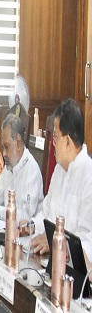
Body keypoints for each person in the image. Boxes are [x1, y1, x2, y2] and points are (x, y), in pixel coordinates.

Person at [30, 99, 92, 259]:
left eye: (56, 138)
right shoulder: (59, 170)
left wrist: (55, 244)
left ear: (68, 142)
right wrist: (30, 227)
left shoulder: (89, 177)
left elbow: (87, 245)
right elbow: (46, 214)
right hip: (48, 260)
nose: (53, 143)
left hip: (73, 269)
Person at [0, 114, 43, 224]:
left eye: (7, 147)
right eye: (3, 147)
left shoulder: (32, 170)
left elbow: (24, 217)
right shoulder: (9, 166)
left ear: (18, 143)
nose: (4, 153)